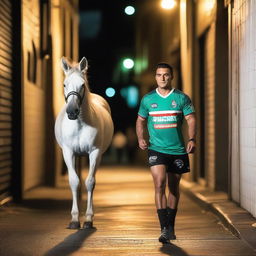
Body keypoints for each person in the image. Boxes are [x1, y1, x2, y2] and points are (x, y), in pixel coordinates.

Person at [136, 63, 196, 244]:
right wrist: (141, 138)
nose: (162, 78)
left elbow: (191, 119)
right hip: (156, 149)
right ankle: (164, 228)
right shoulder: (148, 99)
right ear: (155, 77)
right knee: (159, 183)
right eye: (159, 75)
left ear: (171, 77)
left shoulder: (181, 98)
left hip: (177, 150)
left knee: (174, 188)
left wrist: (192, 139)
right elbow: (140, 121)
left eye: (166, 75)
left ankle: (171, 226)